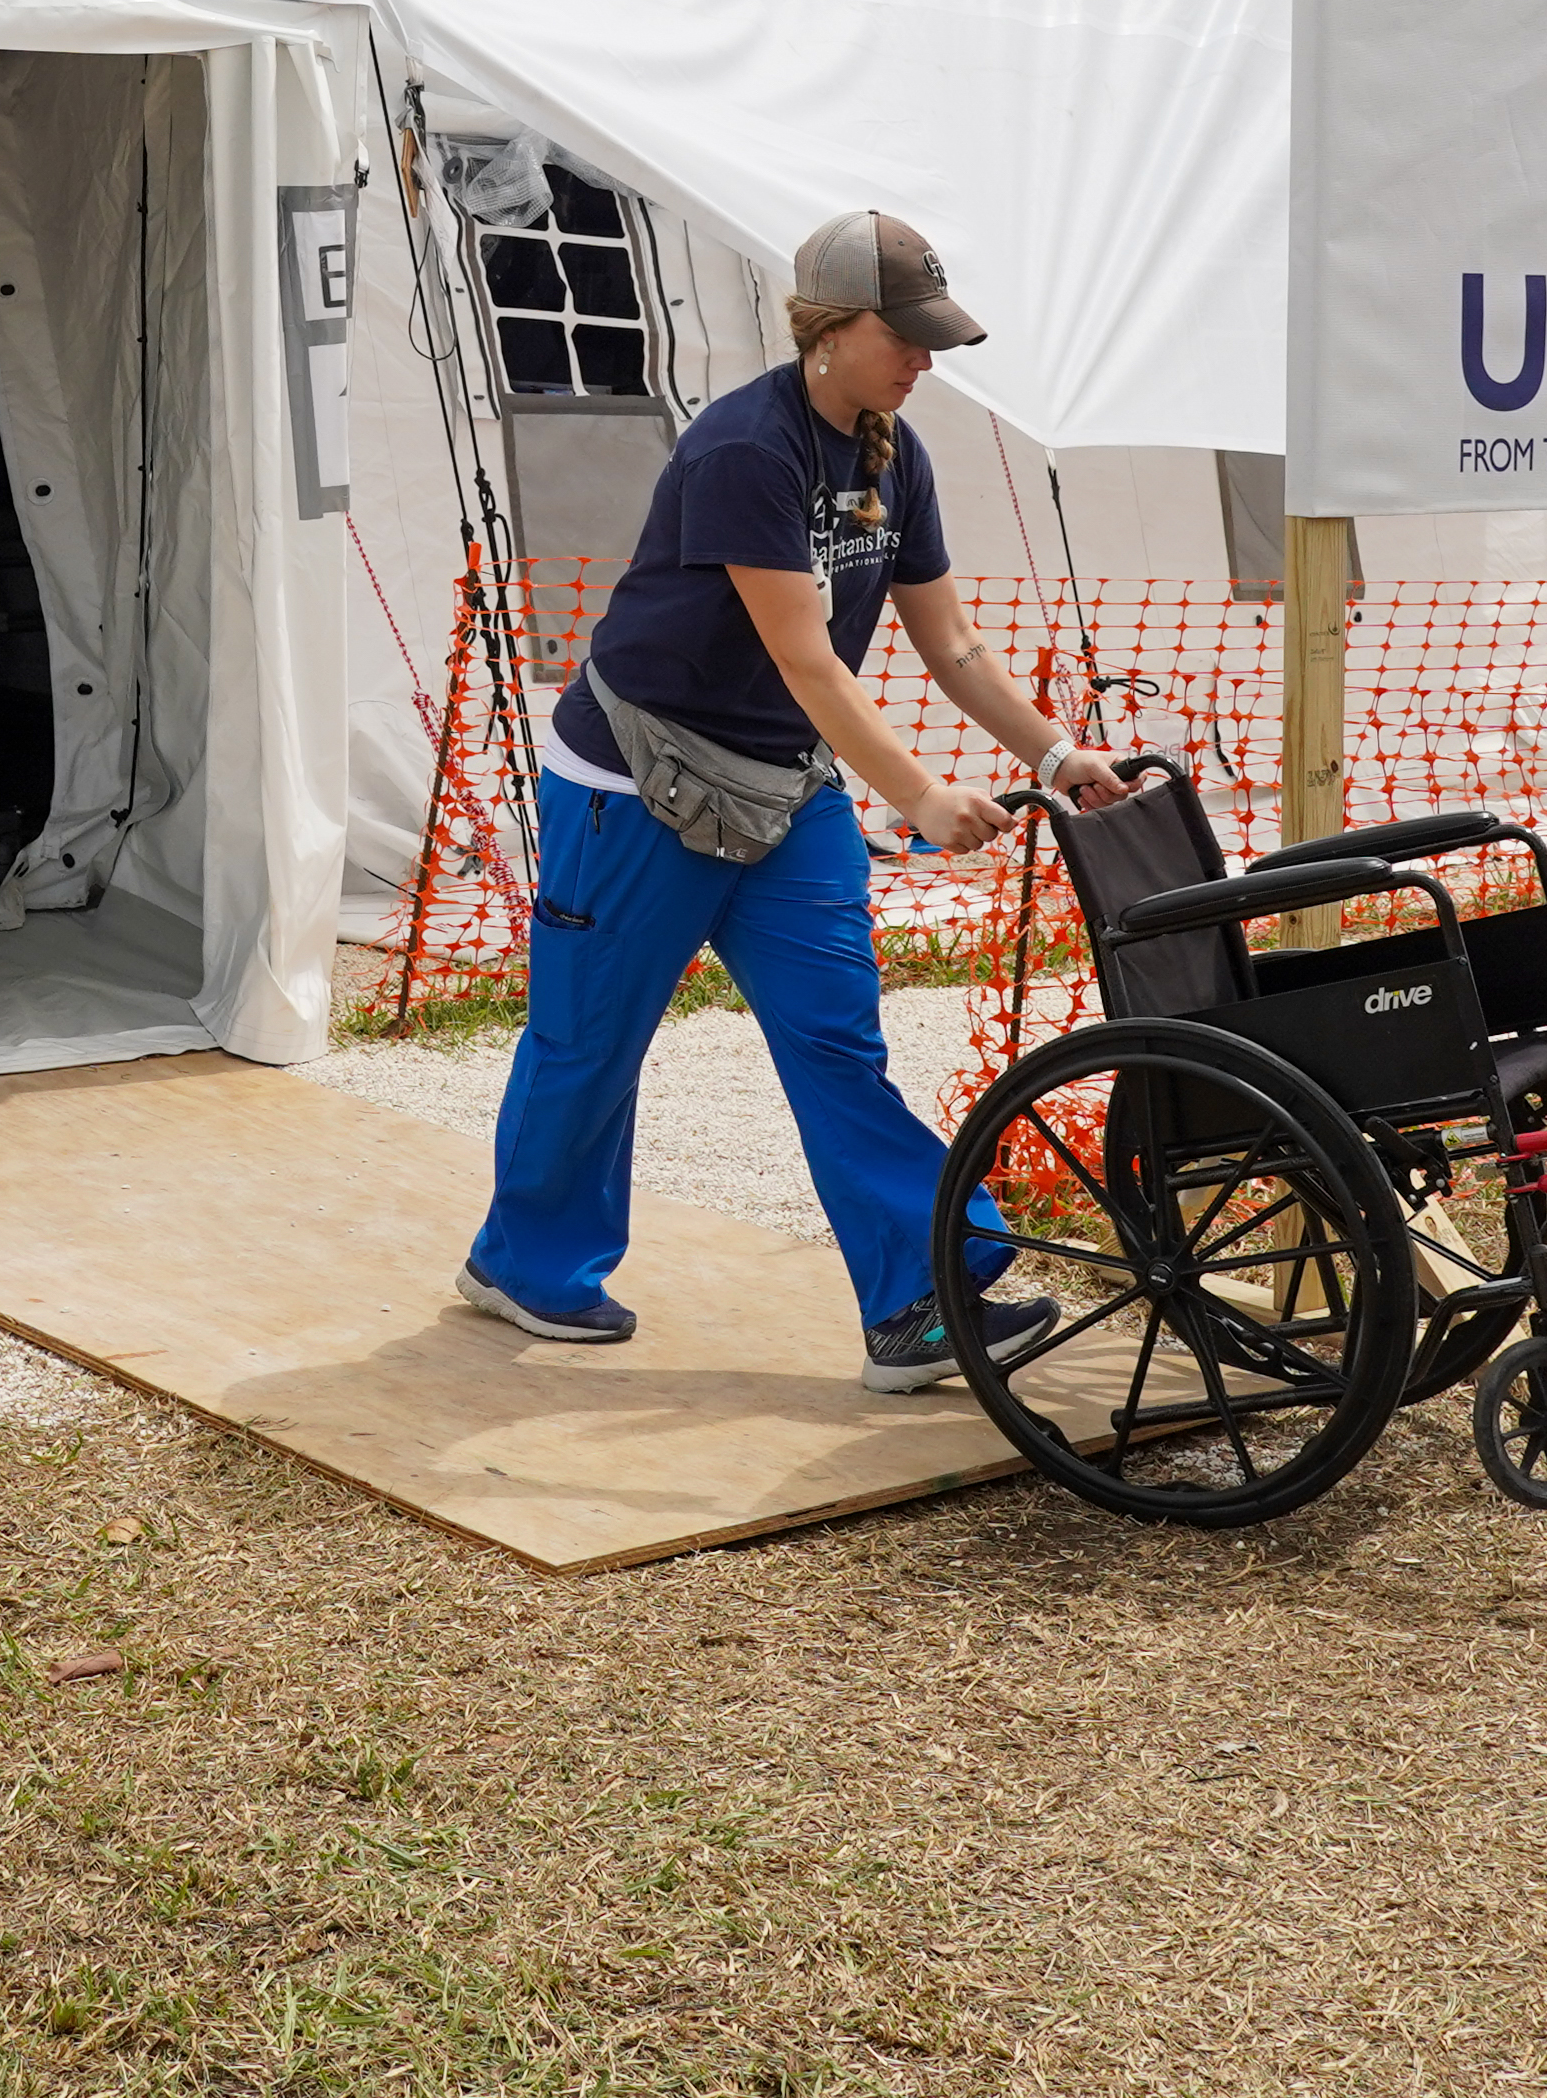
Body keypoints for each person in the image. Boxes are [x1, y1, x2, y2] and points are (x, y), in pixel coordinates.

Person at [457, 210, 1128, 1391]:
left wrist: (1057, 750)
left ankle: (918, 1302)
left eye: (932, 339)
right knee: (590, 1047)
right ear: (826, 329)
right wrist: (919, 793)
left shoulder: (890, 453)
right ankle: (525, 1264)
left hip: (783, 787)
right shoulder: (744, 451)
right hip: (636, 784)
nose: (924, 361)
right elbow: (807, 657)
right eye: (903, 336)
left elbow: (955, 646)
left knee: (836, 1043)